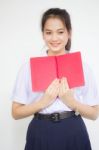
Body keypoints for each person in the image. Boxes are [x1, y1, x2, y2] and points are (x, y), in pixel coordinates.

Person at [11, 8, 99, 150]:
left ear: (69, 33)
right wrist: (43, 102)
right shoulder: (28, 67)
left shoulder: (83, 67)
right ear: (43, 35)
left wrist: (71, 102)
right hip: (40, 131)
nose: (54, 38)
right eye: (48, 32)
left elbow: (94, 114)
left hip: (73, 131)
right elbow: (15, 113)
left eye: (60, 32)